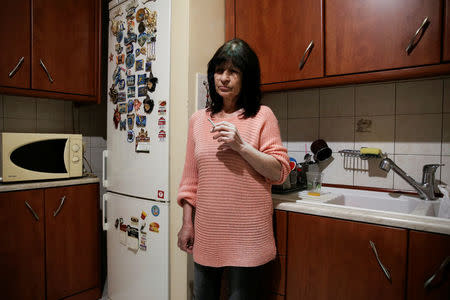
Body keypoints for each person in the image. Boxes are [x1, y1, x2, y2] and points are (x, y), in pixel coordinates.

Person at [177, 38, 290, 300]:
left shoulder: (263, 116)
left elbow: (279, 172)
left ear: (246, 78)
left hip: (249, 234)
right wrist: (186, 224)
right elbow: (190, 180)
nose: (224, 78)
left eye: (233, 71)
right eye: (219, 71)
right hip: (207, 230)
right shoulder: (198, 120)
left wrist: (242, 146)